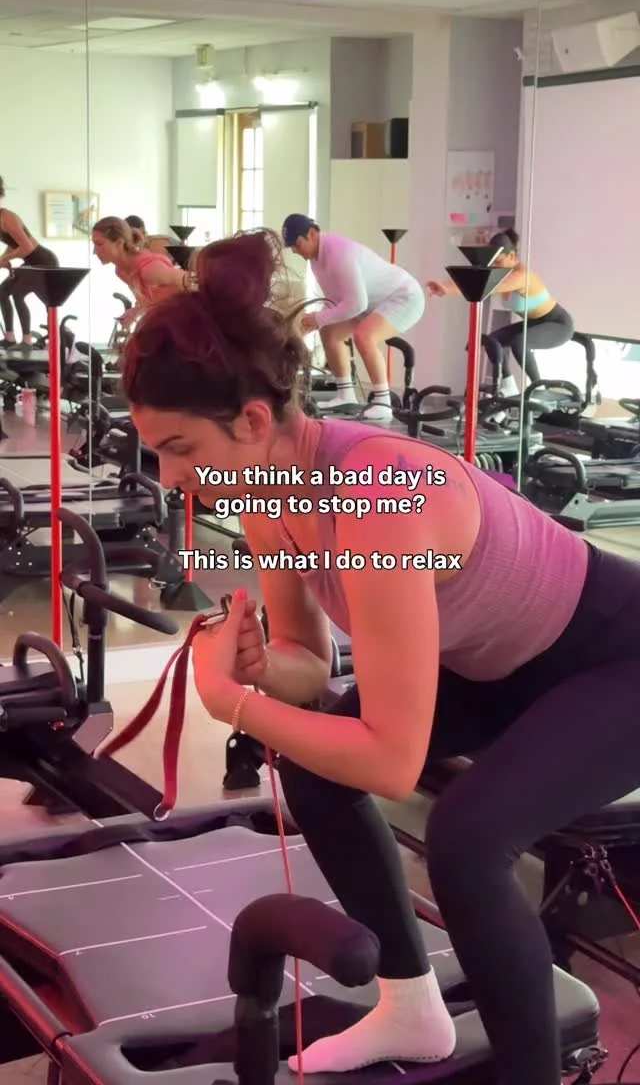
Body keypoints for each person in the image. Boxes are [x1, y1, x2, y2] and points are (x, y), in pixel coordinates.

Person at [121, 227, 640, 1085]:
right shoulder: (265, 493)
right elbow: (308, 659)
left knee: (468, 839)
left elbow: (393, 763)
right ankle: (411, 1008)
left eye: (181, 449)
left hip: (615, 657)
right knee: (316, 765)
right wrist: (260, 669)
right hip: (501, 663)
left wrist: (238, 706)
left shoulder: (376, 495)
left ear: (253, 420)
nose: (170, 478)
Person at [282, 214, 425, 421]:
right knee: (329, 333)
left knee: (364, 336)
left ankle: (383, 403)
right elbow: (335, 301)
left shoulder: (340, 253)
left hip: (404, 297)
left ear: (311, 234)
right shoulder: (316, 260)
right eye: (291, 248)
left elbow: (357, 304)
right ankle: (346, 395)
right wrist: (315, 322)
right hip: (370, 303)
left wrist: (319, 318)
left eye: (297, 244)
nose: (295, 251)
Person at [427, 227, 574, 397]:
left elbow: (484, 286)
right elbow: (471, 278)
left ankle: (540, 390)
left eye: (498, 261)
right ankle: (509, 385)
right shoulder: (502, 272)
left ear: (511, 256)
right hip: (534, 322)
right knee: (493, 341)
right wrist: (444, 286)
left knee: (519, 343)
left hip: (557, 324)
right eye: (493, 262)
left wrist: (448, 289)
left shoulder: (522, 276)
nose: (495, 266)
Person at [92, 217, 188, 333]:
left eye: (99, 244)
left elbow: (194, 282)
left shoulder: (150, 270)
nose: (94, 251)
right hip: (168, 323)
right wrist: (137, 310)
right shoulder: (120, 271)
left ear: (119, 243)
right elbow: (151, 299)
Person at [0, 175, 59, 347]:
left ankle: (26, 340)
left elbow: (27, 247)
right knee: (2, 292)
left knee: (18, 294)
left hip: (44, 261)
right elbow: (14, 243)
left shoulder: (6, 217)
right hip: (30, 262)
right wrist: (4, 259)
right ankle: (9, 338)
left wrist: (4, 259)